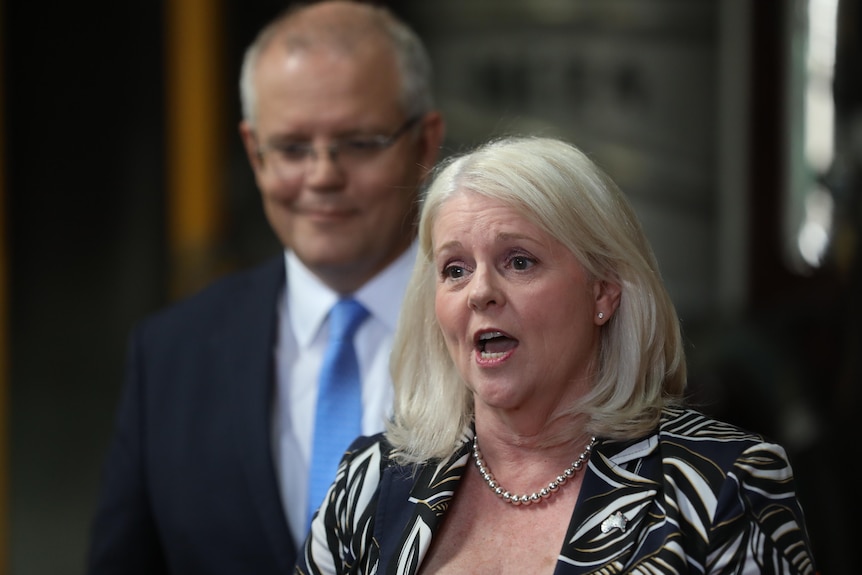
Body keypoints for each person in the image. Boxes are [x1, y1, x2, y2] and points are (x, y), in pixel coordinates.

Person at [296, 136, 818, 574]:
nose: (480, 292)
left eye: (518, 261)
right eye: (455, 269)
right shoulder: (370, 481)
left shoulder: (724, 486)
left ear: (603, 292)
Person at [87, 2, 445, 573]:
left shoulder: (503, 334)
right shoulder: (169, 354)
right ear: (254, 152)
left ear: (425, 144)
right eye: (292, 148)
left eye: (358, 142)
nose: (323, 175)